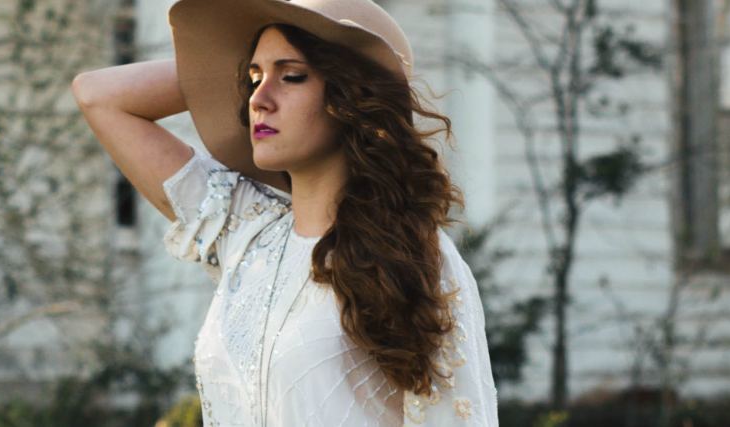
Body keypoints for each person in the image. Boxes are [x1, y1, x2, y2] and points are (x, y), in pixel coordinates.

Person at [71, 0, 498, 425]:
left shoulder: (417, 257)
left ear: (351, 96)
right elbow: (98, 94)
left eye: (291, 76)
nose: (259, 98)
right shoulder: (245, 233)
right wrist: (220, 69)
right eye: (253, 78)